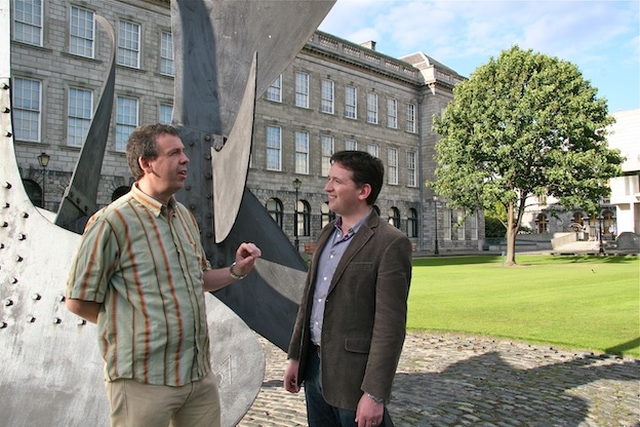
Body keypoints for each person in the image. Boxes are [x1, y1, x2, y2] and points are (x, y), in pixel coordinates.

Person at [65, 123, 261, 427]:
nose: (186, 159)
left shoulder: (184, 217)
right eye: (174, 153)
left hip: (197, 376)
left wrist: (236, 271)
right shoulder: (111, 223)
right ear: (147, 164)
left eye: (183, 151)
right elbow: (78, 301)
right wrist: (133, 326)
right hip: (143, 380)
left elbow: (200, 279)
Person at [283, 150, 413, 427]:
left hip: (355, 377)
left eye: (337, 181)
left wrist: (375, 393)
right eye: (329, 179)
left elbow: (390, 327)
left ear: (363, 191)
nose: (327, 187)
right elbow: (309, 302)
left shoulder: (390, 243)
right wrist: (296, 357)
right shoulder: (327, 233)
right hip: (315, 369)